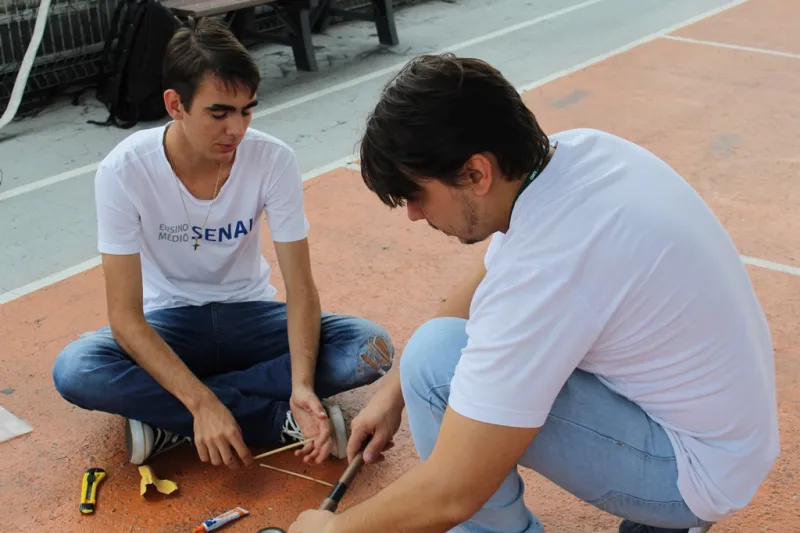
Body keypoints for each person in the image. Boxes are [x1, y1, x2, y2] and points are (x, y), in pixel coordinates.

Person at [287, 54, 780, 533]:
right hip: (726, 436)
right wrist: (391, 395)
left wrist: (332, 530)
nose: (414, 214)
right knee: (431, 352)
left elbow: (453, 491)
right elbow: (489, 277)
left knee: (437, 369)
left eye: (416, 193)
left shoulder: (549, 266)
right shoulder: (579, 153)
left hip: (694, 473)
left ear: (476, 173)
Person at [51, 17, 394, 470]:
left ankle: (166, 418)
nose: (237, 128)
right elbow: (126, 319)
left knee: (371, 348)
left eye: (247, 110)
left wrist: (301, 384)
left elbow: (301, 288)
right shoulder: (125, 170)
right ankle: (269, 419)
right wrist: (202, 404)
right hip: (169, 322)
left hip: (249, 315)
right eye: (219, 113)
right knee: (76, 370)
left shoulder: (273, 160)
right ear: (175, 104)